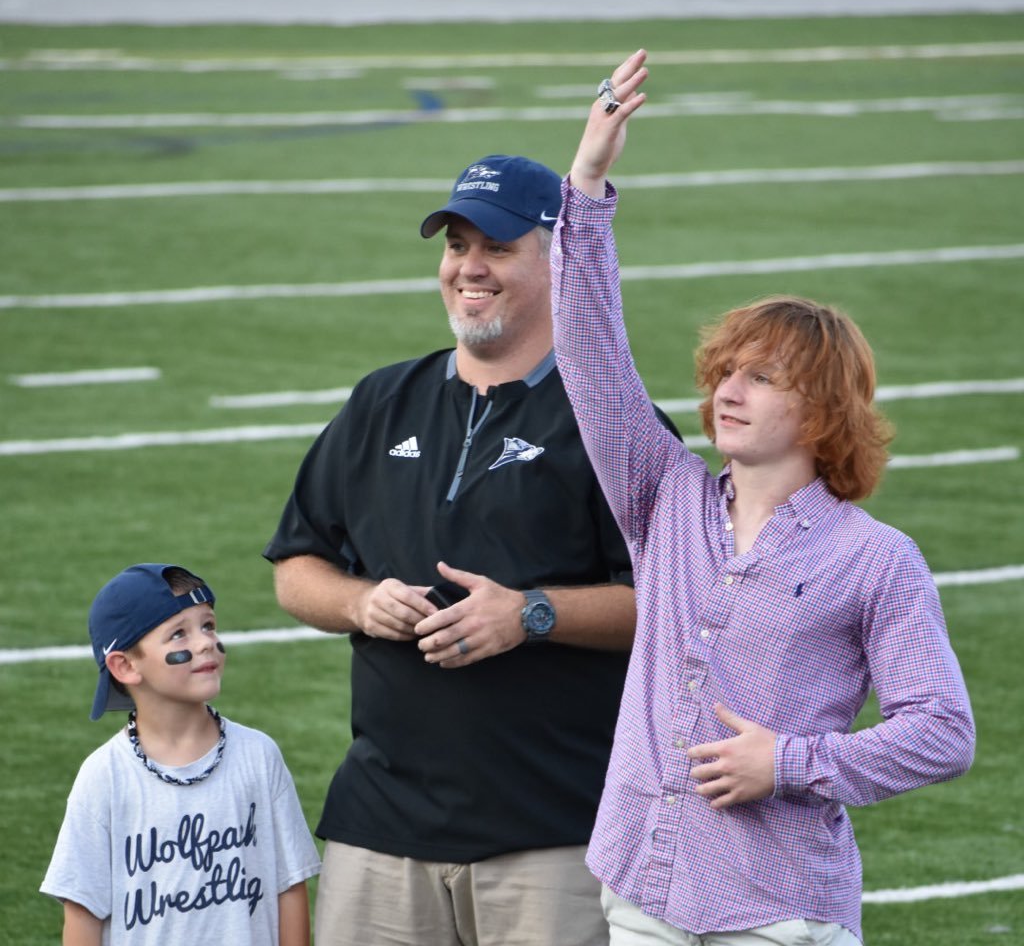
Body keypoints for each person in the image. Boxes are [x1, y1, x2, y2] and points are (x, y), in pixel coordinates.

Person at [550, 49, 975, 946]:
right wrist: (585, 182)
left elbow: (943, 731)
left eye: (765, 378)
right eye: (726, 373)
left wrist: (790, 763)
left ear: (822, 412)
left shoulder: (876, 558)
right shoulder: (663, 497)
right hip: (644, 888)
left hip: (777, 911)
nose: (729, 392)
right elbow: (592, 360)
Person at [264, 153, 678, 946]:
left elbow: (675, 604)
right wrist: (359, 600)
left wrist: (533, 613)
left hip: (555, 833)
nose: (469, 268)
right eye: (456, 245)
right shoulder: (382, 400)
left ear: (559, 258)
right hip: (379, 828)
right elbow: (297, 566)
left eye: (497, 246)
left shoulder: (616, 423)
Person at [40, 563, 321, 946]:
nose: (205, 642)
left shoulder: (259, 756)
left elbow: (289, 886)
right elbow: (83, 913)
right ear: (124, 665)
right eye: (178, 634)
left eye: (208, 625)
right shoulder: (103, 776)